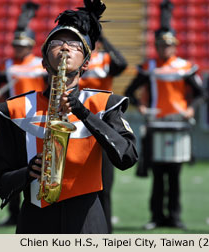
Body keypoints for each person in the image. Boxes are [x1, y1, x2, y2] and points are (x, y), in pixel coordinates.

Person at [0, 0, 138, 234]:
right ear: (43, 61)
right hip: (35, 218)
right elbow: (1, 183)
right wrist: (28, 172)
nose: (66, 48)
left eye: (75, 45)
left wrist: (83, 112)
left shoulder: (105, 105)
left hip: (87, 218)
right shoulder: (15, 110)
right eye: (57, 43)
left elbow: (127, 157)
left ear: (86, 63)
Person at [124, 0, 206, 230]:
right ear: (156, 45)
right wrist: (140, 105)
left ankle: (175, 217)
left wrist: (191, 108)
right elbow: (130, 91)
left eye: (168, 45)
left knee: (175, 174)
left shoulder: (184, 67)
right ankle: (156, 217)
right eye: (161, 44)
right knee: (158, 175)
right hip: (156, 123)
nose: (164, 48)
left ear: (175, 46)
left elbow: (202, 93)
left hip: (178, 124)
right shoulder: (149, 66)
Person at [0, 1, 47, 227]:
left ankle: (34, 206)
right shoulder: (7, 65)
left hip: (36, 119)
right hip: (13, 119)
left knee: (34, 164)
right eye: (16, 45)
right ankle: (12, 212)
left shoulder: (41, 65)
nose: (18, 48)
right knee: (12, 166)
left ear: (30, 45)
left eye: (23, 45)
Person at [79, 35, 127, 233]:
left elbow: (121, 63)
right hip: (79, 125)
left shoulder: (106, 58)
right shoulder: (77, 59)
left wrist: (102, 37)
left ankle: (106, 231)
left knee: (105, 186)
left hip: (104, 124)